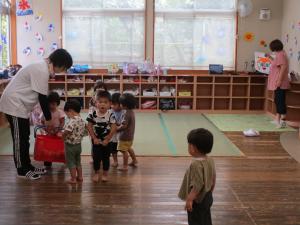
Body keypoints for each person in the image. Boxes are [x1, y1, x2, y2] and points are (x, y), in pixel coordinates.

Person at [0, 49, 73, 180]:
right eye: (64, 67)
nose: (63, 70)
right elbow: (42, 97)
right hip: (14, 104)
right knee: (19, 139)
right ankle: (22, 170)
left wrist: (48, 119)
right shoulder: (41, 69)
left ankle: (27, 166)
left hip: (20, 106)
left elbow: (41, 96)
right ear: (61, 64)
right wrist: (49, 119)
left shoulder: (43, 68)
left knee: (25, 136)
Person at [178, 128, 216, 225]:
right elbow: (213, 177)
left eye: (189, 144)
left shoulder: (196, 164)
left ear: (193, 148)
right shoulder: (210, 160)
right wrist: (210, 190)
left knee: (195, 221)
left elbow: (197, 184)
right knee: (206, 219)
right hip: (207, 196)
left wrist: (190, 199)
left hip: (197, 200)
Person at [87, 90, 116, 182]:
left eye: (105, 102)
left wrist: (107, 139)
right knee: (96, 157)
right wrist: (94, 138)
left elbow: (113, 127)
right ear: (96, 103)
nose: (102, 104)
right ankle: (96, 173)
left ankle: (105, 174)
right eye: (100, 102)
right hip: (96, 141)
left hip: (107, 141)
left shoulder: (111, 114)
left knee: (106, 158)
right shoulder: (92, 114)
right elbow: (89, 126)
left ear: (110, 104)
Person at [62, 99, 86, 184]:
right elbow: (84, 132)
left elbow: (68, 130)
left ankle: (73, 179)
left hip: (70, 146)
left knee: (71, 162)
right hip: (78, 145)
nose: (67, 116)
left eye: (67, 114)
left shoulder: (72, 120)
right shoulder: (82, 120)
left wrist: (62, 136)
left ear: (70, 111)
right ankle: (80, 177)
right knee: (78, 162)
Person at [267, 39, 290, 128]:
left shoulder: (280, 55)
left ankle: (281, 120)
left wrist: (279, 80)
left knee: (279, 100)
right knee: (278, 100)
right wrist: (270, 58)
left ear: (274, 47)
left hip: (280, 82)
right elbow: (277, 65)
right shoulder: (280, 54)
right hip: (279, 82)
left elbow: (283, 68)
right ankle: (278, 119)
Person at [40, 91, 65, 168]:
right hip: (48, 133)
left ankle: (61, 159)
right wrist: (46, 130)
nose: (51, 106)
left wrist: (58, 130)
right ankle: (47, 162)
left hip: (57, 132)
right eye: (49, 104)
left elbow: (62, 122)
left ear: (57, 103)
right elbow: (42, 122)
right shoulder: (45, 112)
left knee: (59, 147)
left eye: (53, 104)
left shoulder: (60, 112)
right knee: (47, 148)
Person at [117, 93, 138, 171]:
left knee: (123, 150)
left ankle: (125, 166)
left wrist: (116, 129)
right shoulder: (131, 112)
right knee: (128, 148)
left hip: (124, 136)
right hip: (130, 136)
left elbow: (124, 126)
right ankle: (134, 160)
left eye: (121, 103)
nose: (120, 105)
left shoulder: (126, 113)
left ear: (124, 105)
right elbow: (126, 123)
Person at [110, 93, 125, 167]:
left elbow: (124, 124)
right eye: (111, 104)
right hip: (113, 133)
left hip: (121, 133)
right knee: (113, 147)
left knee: (124, 148)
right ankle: (115, 161)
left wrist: (117, 125)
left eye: (114, 104)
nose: (112, 106)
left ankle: (133, 159)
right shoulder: (111, 111)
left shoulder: (124, 112)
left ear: (120, 104)